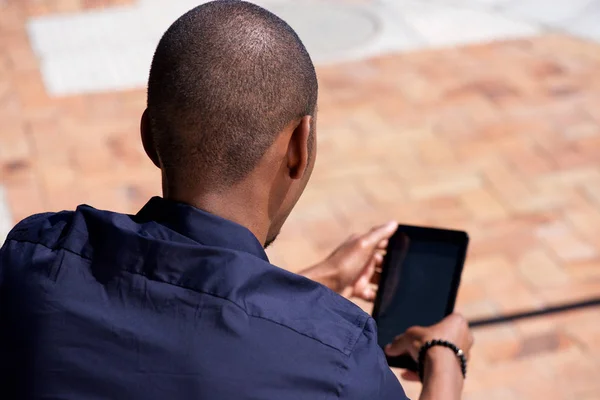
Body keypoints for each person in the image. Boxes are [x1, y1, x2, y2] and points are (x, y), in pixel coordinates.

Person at [0, 1, 473, 399]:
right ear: (299, 147)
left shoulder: (33, 258)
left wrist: (324, 277)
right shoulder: (339, 359)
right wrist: (444, 358)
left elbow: (182, 316)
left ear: (149, 138)